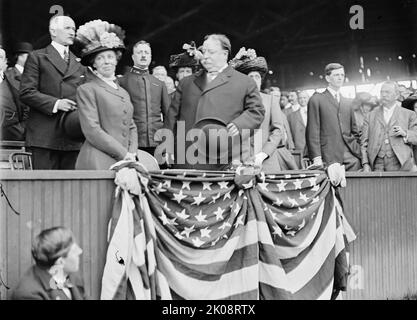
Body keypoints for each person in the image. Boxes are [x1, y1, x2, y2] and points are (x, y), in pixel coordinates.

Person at [165, 34, 265, 169]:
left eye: (211, 52)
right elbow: (172, 117)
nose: (205, 56)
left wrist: (240, 124)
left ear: (224, 54)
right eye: (204, 51)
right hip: (187, 160)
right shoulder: (186, 83)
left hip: (225, 160)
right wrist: (167, 146)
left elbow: (257, 111)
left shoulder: (245, 82)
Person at [19, 16, 87, 169]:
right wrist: (56, 103)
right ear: (53, 31)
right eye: (68, 28)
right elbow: (26, 92)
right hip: (44, 137)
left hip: (71, 136)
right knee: (44, 190)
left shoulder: (79, 62)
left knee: (69, 190)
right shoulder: (38, 57)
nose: (72, 32)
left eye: (74, 29)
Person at [74, 20, 138, 170]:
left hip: (127, 161)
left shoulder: (123, 92)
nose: (106, 62)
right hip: (98, 160)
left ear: (116, 59)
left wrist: (132, 153)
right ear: (94, 64)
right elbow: (92, 130)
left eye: (109, 57)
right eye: (100, 58)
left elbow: (132, 126)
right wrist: (123, 153)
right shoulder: (87, 89)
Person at [230, 48, 287, 173]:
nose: (255, 79)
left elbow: (277, 130)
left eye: (257, 77)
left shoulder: (270, 100)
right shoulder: (237, 101)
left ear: (261, 81)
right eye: (251, 76)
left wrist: (263, 154)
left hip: (267, 162)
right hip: (240, 162)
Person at [306, 63, 362, 186]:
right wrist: (316, 157)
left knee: (355, 188)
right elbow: (312, 131)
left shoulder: (348, 102)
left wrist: (357, 150)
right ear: (327, 78)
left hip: (351, 155)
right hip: (328, 155)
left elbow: (354, 131)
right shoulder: (316, 99)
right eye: (336, 75)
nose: (340, 77)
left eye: (342, 75)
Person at [119, 41, 169, 157]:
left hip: (157, 142)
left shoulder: (159, 84)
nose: (143, 55)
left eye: (146, 52)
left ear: (150, 57)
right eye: (139, 52)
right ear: (133, 57)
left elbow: (168, 116)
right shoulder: (122, 82)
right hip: (131, 142)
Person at [11, 227, 87, 300]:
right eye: (74, 251)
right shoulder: (29, 294)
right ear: (60, 262)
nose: (80, 251)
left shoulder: (72, 277)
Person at [361, 81, 417, 172]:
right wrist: (365, 163)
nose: (383, 95)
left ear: (396, 95)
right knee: (378, 186)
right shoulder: (370, 116)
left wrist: (405, 133)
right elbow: (364, 143)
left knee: (400, 186)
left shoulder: (409, 115)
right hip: (376, 164)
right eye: (382, 92)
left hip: (401, 163)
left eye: (387, 92)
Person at [0, 47, 27, 141]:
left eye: (0, 57)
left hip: (10, 140)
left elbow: (25, 110)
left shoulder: (12, 83)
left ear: (5, 62)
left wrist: (20, 133)